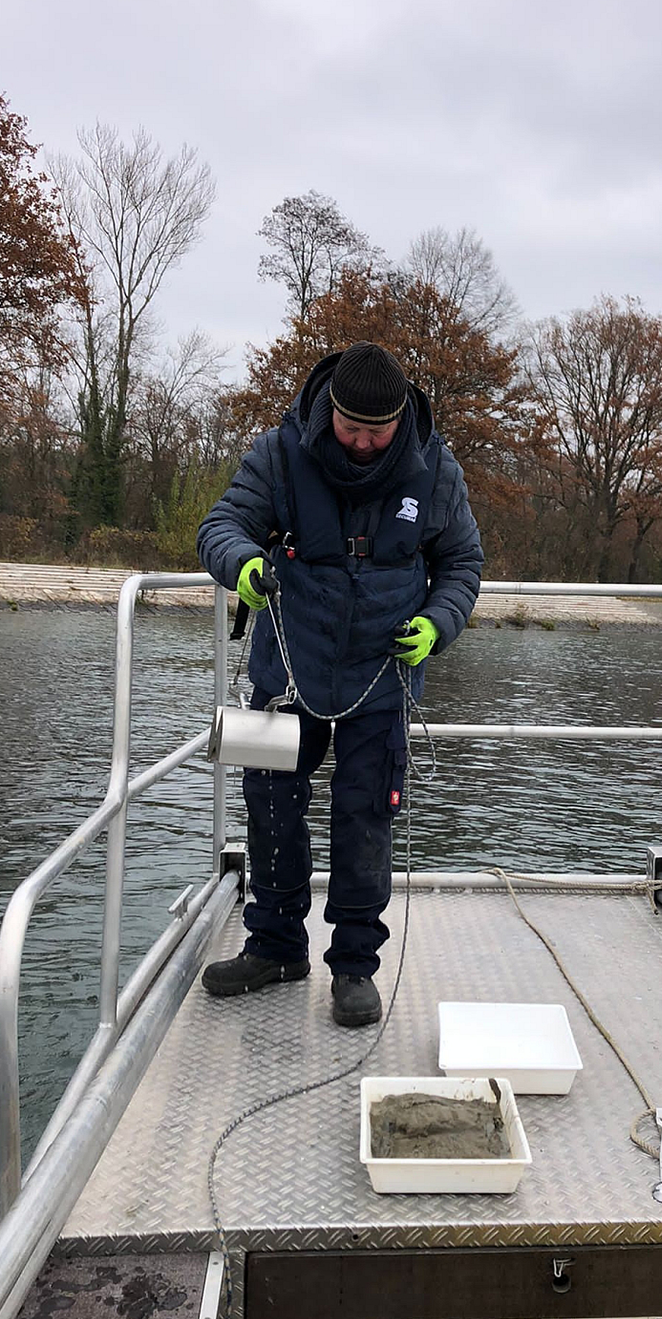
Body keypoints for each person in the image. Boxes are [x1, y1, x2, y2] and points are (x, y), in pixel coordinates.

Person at [192, 343, 482, 1028]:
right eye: (350, 427)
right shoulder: (281, 450)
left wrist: (438, 624)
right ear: (331, 411)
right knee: (271, 814)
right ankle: (275, 948)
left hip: (380, 680)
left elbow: (463, 563)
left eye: (374, 432)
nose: (360, 442)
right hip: (286, 673)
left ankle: (353, 968)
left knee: (364, 822)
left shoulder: (435, 468)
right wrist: (239, 565)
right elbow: (221, 525)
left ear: (399, 419)